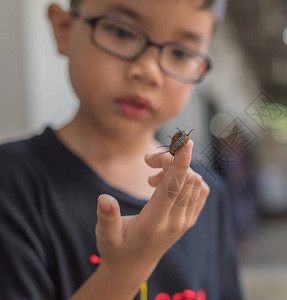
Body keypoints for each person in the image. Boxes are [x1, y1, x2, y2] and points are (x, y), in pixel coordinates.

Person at [0, 0, 242, 299]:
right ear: (64, 29)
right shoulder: (10, 183)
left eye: (181, 52)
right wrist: (125, 270)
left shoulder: (208, 193)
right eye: (121, 32)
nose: (148, 71)